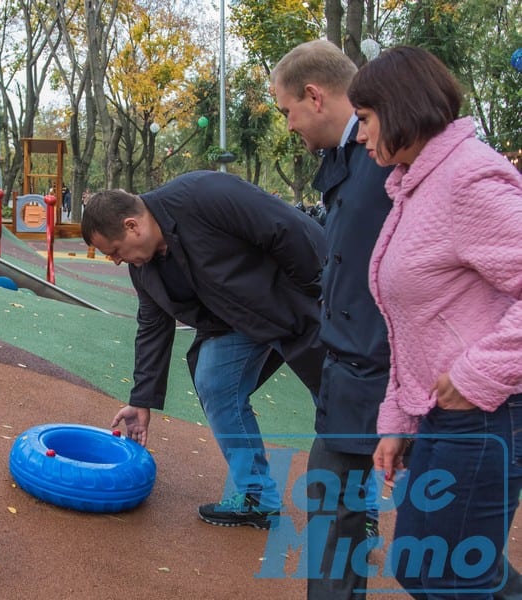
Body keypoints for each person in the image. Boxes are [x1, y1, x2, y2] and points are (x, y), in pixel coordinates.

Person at [349, 45, 522, 597]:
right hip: (446, 415)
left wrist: (478, 374)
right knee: (424, 568)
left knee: (447, 576)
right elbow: (416, 319)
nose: (360, 135)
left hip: (489, 414)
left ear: (398, 108)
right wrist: (398, 414)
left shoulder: (468, 179)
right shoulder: (416, 186)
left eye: (367, 119)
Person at [80, 171, 327, 529]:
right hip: (236, 321)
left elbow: (286, 226)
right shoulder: (144, 267)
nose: (117, 261)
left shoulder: (203, 194)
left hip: (292, 301)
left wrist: (316, 291)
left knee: (337, 400)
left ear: (132, 226)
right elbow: (153, 327)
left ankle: (357, 514)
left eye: (115, 251)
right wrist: (141, 399)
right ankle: (256, 497)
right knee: (214, 380)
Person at [271, 39, 392, 600]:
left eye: (286, 110)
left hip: (391, 370)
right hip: (351, 367)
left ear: (314, 96)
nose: (288, 125)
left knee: (441, 545)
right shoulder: (342, 159)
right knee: (332, 503)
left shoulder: (389, 154)